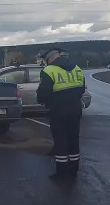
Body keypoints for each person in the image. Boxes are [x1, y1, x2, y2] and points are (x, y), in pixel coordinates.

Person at [36, 48, 85, 181]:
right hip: (75, 108)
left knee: (61, 140)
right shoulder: (77, 68)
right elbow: (81, 89)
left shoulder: (49, 70)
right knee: (74, 138)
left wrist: (43, 101)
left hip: (58, 110)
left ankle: (62, 173)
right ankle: (74, 169)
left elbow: (43, 93)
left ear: (50, 59)